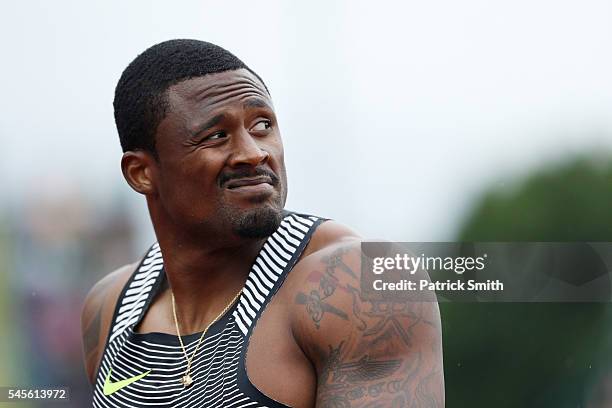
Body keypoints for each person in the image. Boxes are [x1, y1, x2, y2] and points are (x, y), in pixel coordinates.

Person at [80, 39, 444, 408]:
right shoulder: (111, 307)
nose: (254, 153)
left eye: (262, 125)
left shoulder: (357, 286)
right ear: (142, 173)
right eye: (216, 136)